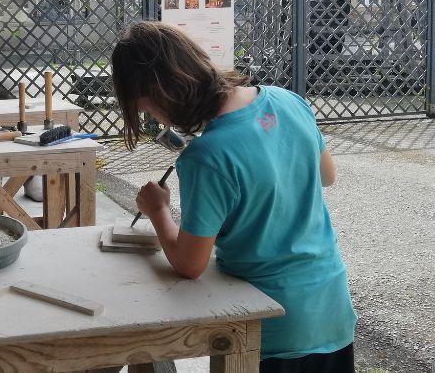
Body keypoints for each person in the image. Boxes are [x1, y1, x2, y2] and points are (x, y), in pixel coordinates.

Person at [111, 21, 356, 373]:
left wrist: (158, 210)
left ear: (160, 93)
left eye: (147, 110)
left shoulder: (206, 156)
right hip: (330, 304)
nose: (154, 118)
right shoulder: (286, 99)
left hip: (271, 323)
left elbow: (189, 265)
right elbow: (325, 176)